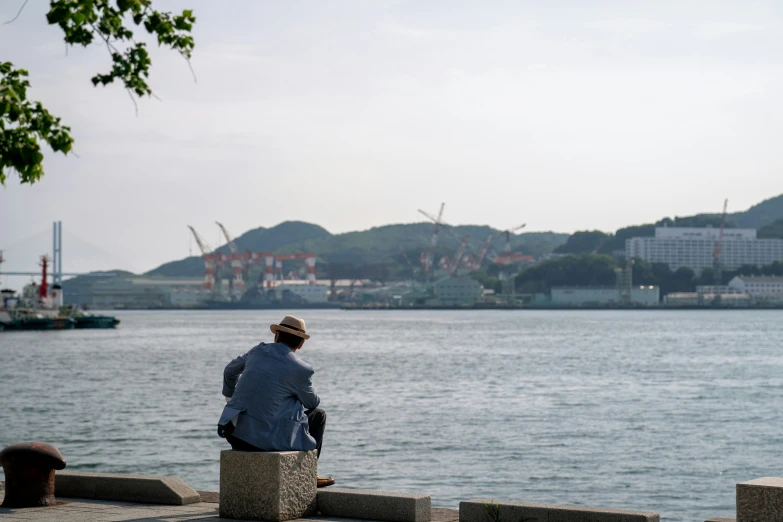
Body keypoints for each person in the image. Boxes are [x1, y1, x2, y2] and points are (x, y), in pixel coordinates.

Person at [217, 315, 334, 488]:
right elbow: (312, 403)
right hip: (264, 441)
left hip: (234, 433)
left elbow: (229, 371)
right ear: (301, 344)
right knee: (318, 415)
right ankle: (309, 474)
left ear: (277, 336)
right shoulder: (300, 369)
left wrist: (231, 398)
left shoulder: (257, 351)